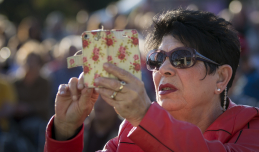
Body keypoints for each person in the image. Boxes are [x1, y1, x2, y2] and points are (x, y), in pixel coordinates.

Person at [44, 9, 259, 151]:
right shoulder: (130, 132)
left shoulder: (251, 128)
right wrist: (65, 131)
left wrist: (144, 116)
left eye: (181, 58)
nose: (163, 69)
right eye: (157, 59)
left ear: (221, 77)